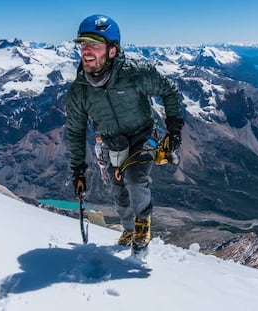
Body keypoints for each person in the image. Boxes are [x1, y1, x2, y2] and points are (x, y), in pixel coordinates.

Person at [66, 14, 184, 253]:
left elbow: (169, 92)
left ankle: (142, 225)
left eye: (94, 45)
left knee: (134, 176)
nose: (86, 51)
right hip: (112, 143)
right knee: (118, 192)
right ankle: (129, 229)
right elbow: (76, 131)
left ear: (112, 50)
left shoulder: (135, 73)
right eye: (83, 45)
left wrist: (174, 128)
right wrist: (78, 170)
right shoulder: (79, 91)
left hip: (143, 135)